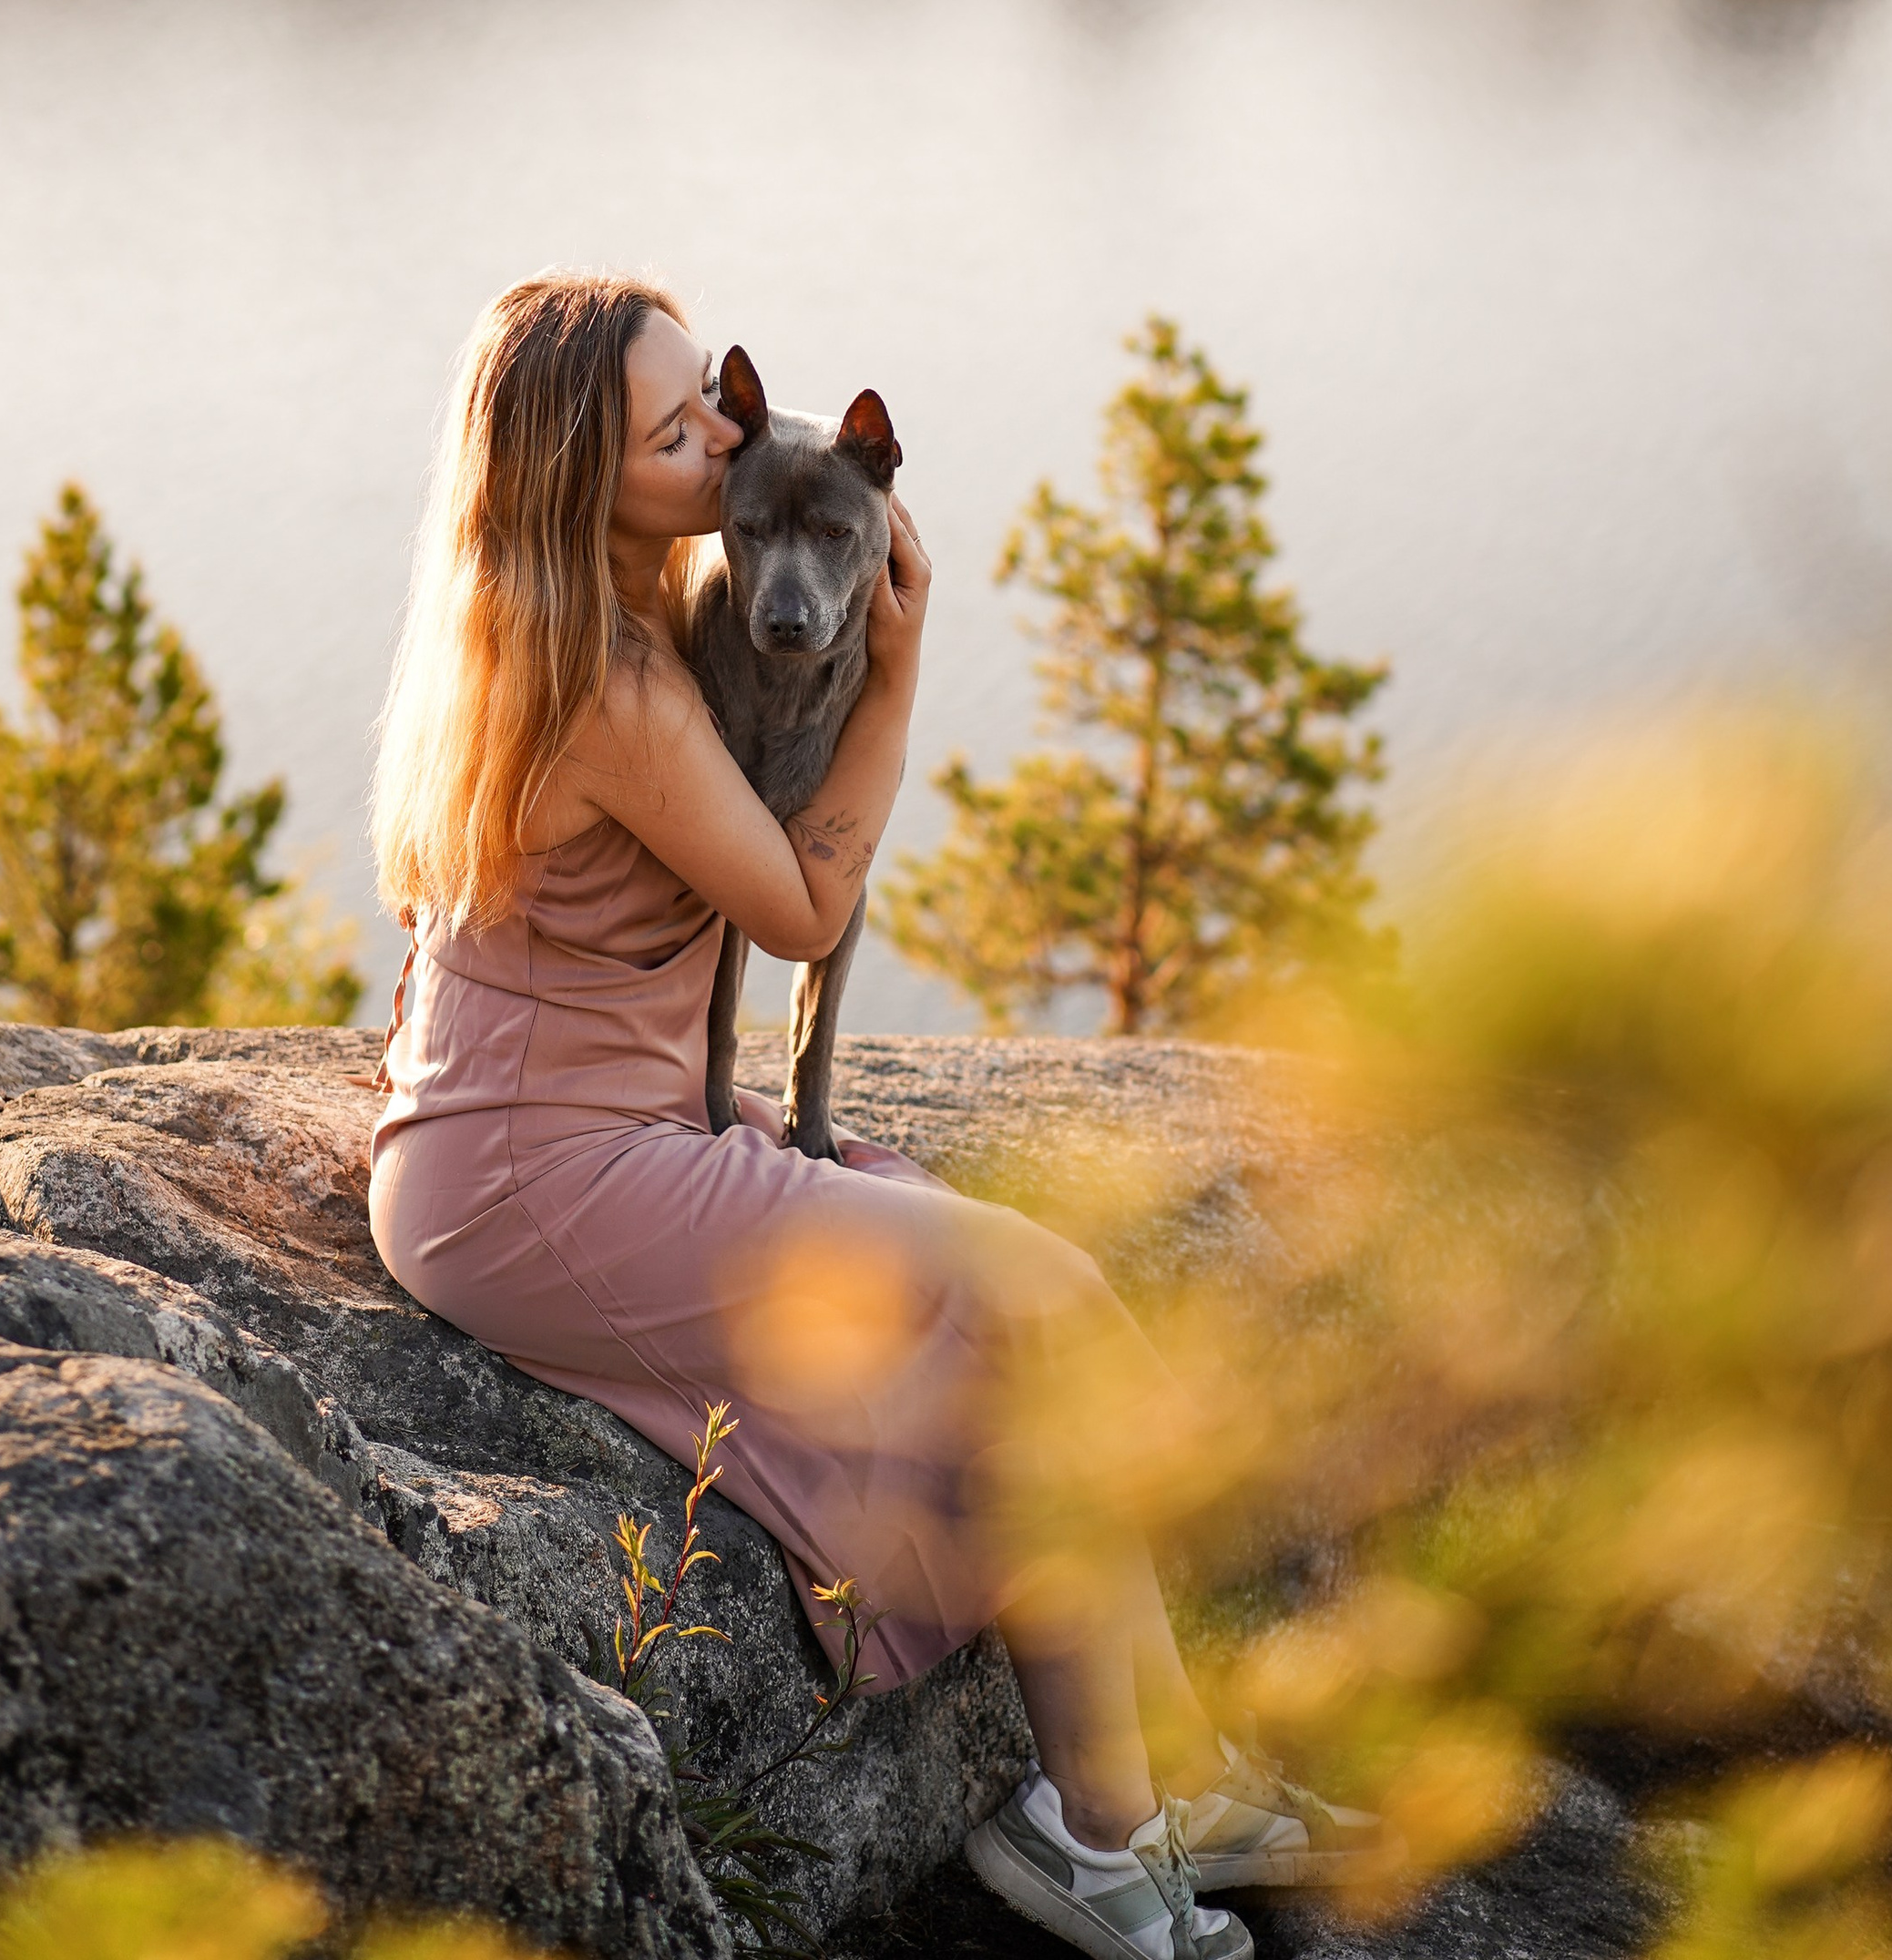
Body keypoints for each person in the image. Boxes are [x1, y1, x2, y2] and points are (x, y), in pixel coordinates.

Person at [369, 274, 1383, 1960]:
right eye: (678, 425)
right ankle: (1100, 1830)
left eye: (713, 403)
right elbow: (794, 912)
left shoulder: (581, 620)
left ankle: (1172, 1777)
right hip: (541, 1174)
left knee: (995, 1317)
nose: (723, 436)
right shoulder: (612, 682)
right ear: (578, 472)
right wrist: (900, 678)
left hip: (561, 1135)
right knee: (1043, 1294)